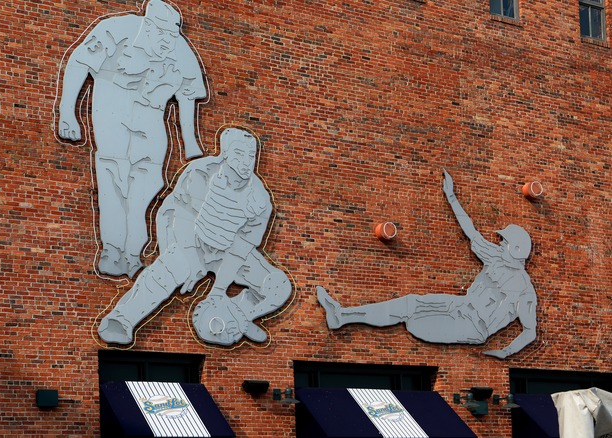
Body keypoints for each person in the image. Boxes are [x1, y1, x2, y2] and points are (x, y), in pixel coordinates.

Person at [98, 128, 292, 345]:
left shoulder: (260, 198)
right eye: (239, 153)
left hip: (227, 250)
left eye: (251, 155)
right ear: (225, 153)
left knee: (278, 286)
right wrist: (188, 258)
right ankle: (122, 319)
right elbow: (178, 216)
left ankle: (237, 315)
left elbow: (242, 246)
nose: (246, 161)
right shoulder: (200, 172)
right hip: (190, 238)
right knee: (167, 271)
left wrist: (219, 290)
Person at [317, 170, 537, 359]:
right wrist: (451, 197)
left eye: (504, 242)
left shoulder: (525, 291)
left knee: (416, 324)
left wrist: (505, 352)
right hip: (459, 305)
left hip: (474, 327)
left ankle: (347, 317)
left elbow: (530, 331)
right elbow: (472, 232)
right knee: (410, 303)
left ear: (516, 251)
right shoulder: (496, 258)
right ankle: (342, 316)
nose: (499, 243)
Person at [57, 0, 207, 278]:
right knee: (114, 175)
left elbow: (188, 94)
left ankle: (132, 252)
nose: (167, 41)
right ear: (148, 26)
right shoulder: (116, 29)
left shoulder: (179, 48)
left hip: (151, 118)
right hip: (113, 109)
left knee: (148, 184)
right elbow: (79, 62)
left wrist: (190, 142)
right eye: (162, 34)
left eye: (172, 36)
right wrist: (67, 113)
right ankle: (112, 250)